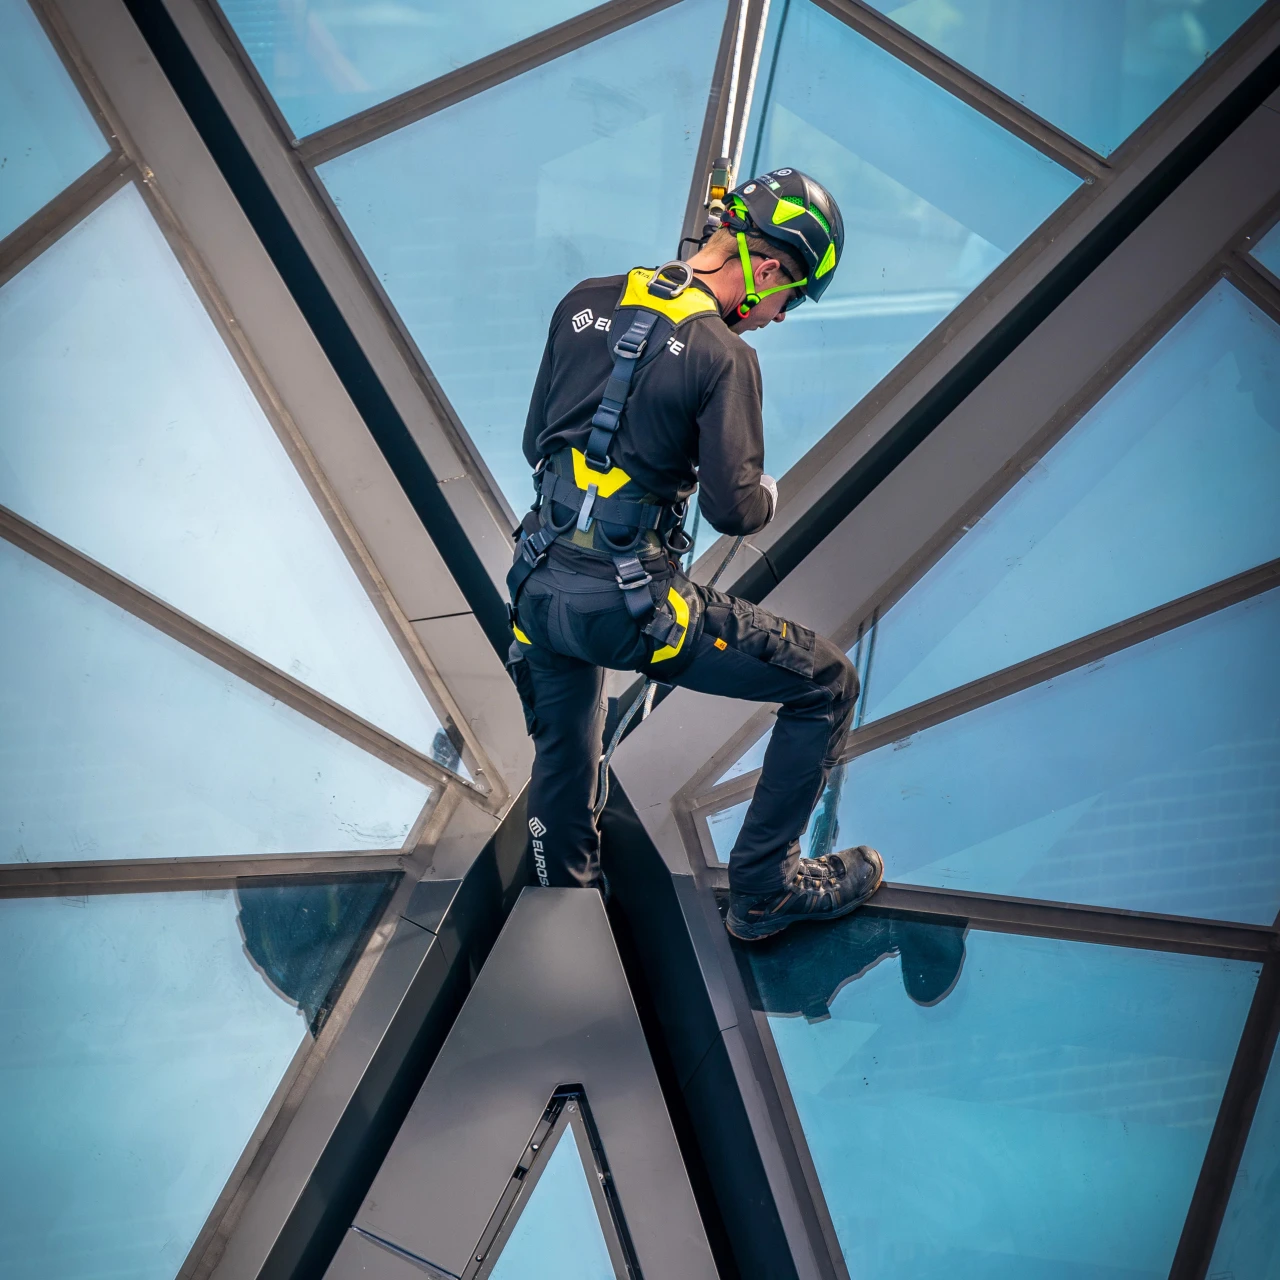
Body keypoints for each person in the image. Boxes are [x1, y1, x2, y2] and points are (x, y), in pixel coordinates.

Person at [506, 169, 883, 942]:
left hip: (536, 592)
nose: (778, 317)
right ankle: (766, 891)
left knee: (566, 757)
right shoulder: (723, 355)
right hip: (634, 612)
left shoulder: (583, 300)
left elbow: (533, 440)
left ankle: (563, 913)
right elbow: (733, 509)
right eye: (788, 298)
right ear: (767, 269)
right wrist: (767, 491)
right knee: (826, 685)